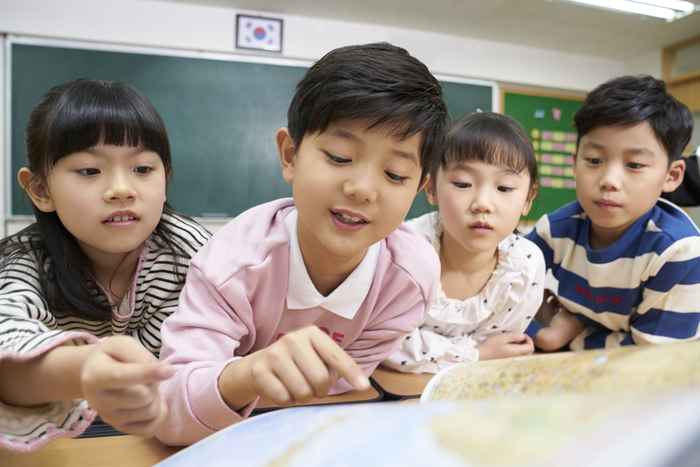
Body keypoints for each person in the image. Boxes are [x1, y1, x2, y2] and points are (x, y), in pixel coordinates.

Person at [155, 42, 451, 446]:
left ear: (419, 187)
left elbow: (343, 384)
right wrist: (247, 374)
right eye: (339, 156)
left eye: (395, 175)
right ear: (291, 155)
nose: (362, 189)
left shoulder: (411, 277)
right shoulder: (231, 264)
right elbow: (169, 409)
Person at [0, 79, 210, 452]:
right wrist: (84, 370)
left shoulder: (190, 251)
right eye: (89, 171)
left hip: (169, 442)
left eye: (143, 169)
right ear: (40, 190)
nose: (122, 189)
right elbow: (5, 357)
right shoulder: (25, 262)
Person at [525, 75, 700, 351]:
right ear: (575, 163)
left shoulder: (678, 251)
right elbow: (498, 290)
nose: (609, 180)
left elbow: (649, 355)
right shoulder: (555, 229)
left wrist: (565, 338)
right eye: (594, 160)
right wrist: (544, 332)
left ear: (672, 175)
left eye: (634, 164)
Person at [383, 112, 543, 373]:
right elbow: (385, 343)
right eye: (463, 183)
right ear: (431, 188)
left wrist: (455, 353)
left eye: (504, 188)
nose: (482, 203)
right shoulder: (401, 249)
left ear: (528, 199)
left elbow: (502, 348)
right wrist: (476, 353)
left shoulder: (525, 265)